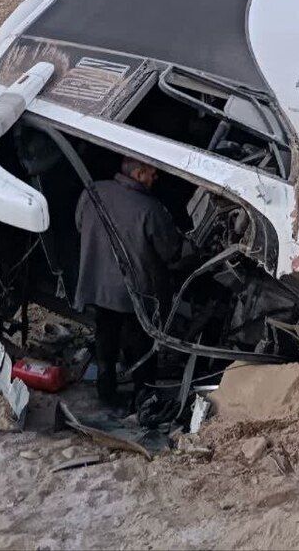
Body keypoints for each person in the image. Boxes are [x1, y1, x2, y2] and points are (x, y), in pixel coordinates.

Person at [74, 156, 184, 409]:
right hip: (134, 293)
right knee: (141, 344)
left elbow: (80, 225)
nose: (156, 177)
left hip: (97, 284)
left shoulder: (92, 191)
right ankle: (143, 396)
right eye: (152, 173)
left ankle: (106, 390)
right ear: (137, 174)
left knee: (105, 335)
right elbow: (170, 252)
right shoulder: (150, 208)